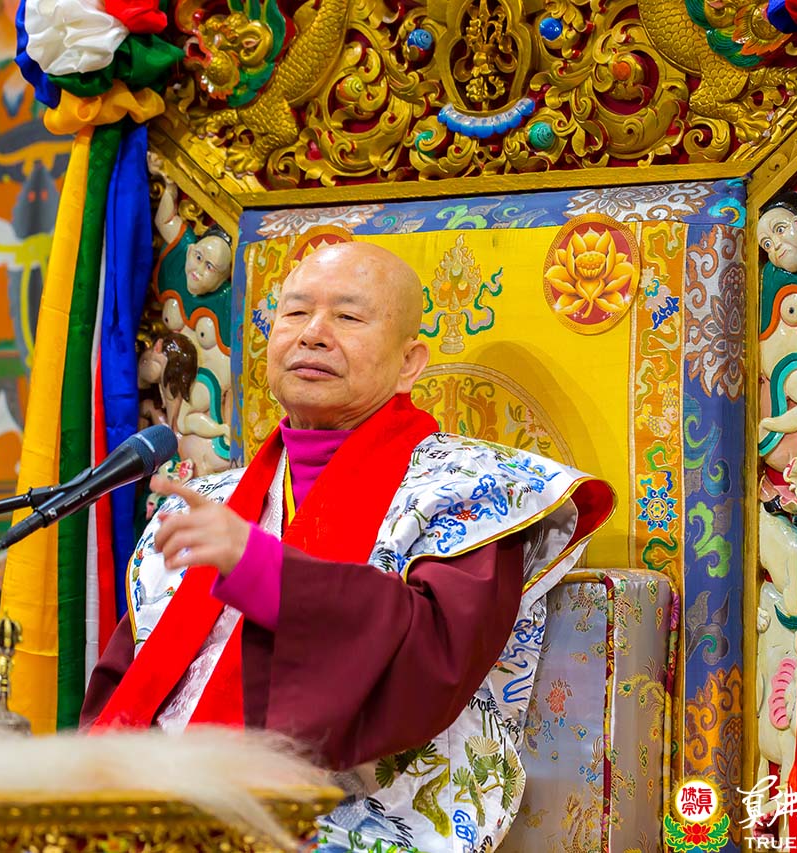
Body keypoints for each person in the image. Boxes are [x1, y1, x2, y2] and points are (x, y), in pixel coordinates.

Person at [82, 241, 615, 852]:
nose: (313, 333)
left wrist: (264, 571)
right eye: (294, 312)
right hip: (155, 811)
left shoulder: (471, 491)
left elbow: (430, 662)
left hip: (356, 821)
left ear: (409, 363)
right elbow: (124, 687)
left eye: (348, 316)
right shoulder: (200, 503)